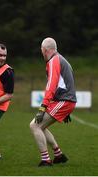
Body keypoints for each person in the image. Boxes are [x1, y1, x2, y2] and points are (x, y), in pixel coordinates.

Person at [30, 37, 77, 167]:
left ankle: (46, 160)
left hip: (64, 100)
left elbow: (51, 85)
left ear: (44, 50)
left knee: (35, 126)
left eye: (41, 51)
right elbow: (69, 82)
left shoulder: (53, 61)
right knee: (41, 126)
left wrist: (43, 107)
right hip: (65, 100)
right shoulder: (62, 60)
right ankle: (59, 155)